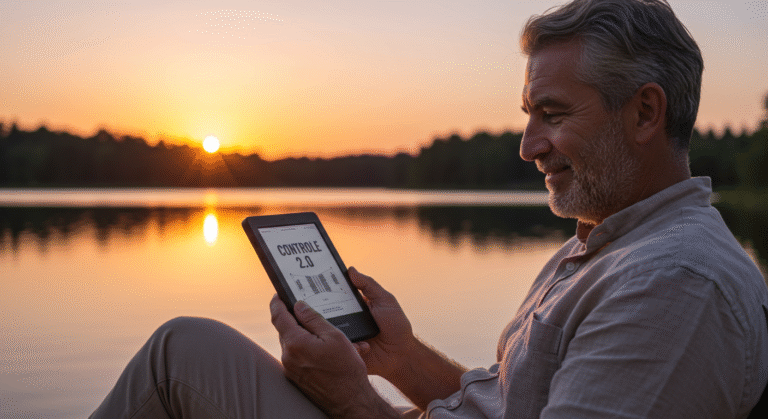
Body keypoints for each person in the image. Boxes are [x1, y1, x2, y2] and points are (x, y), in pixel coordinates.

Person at [90, 0, 768, 417]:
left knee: (177, 359)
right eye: (529, 116)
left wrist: (356, 402)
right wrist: (399, 355)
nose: (530, 147)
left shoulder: (674, 284)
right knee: (186, 348)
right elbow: (516, 401)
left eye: (553, 115)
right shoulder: (611, 242)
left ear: (645, 111)